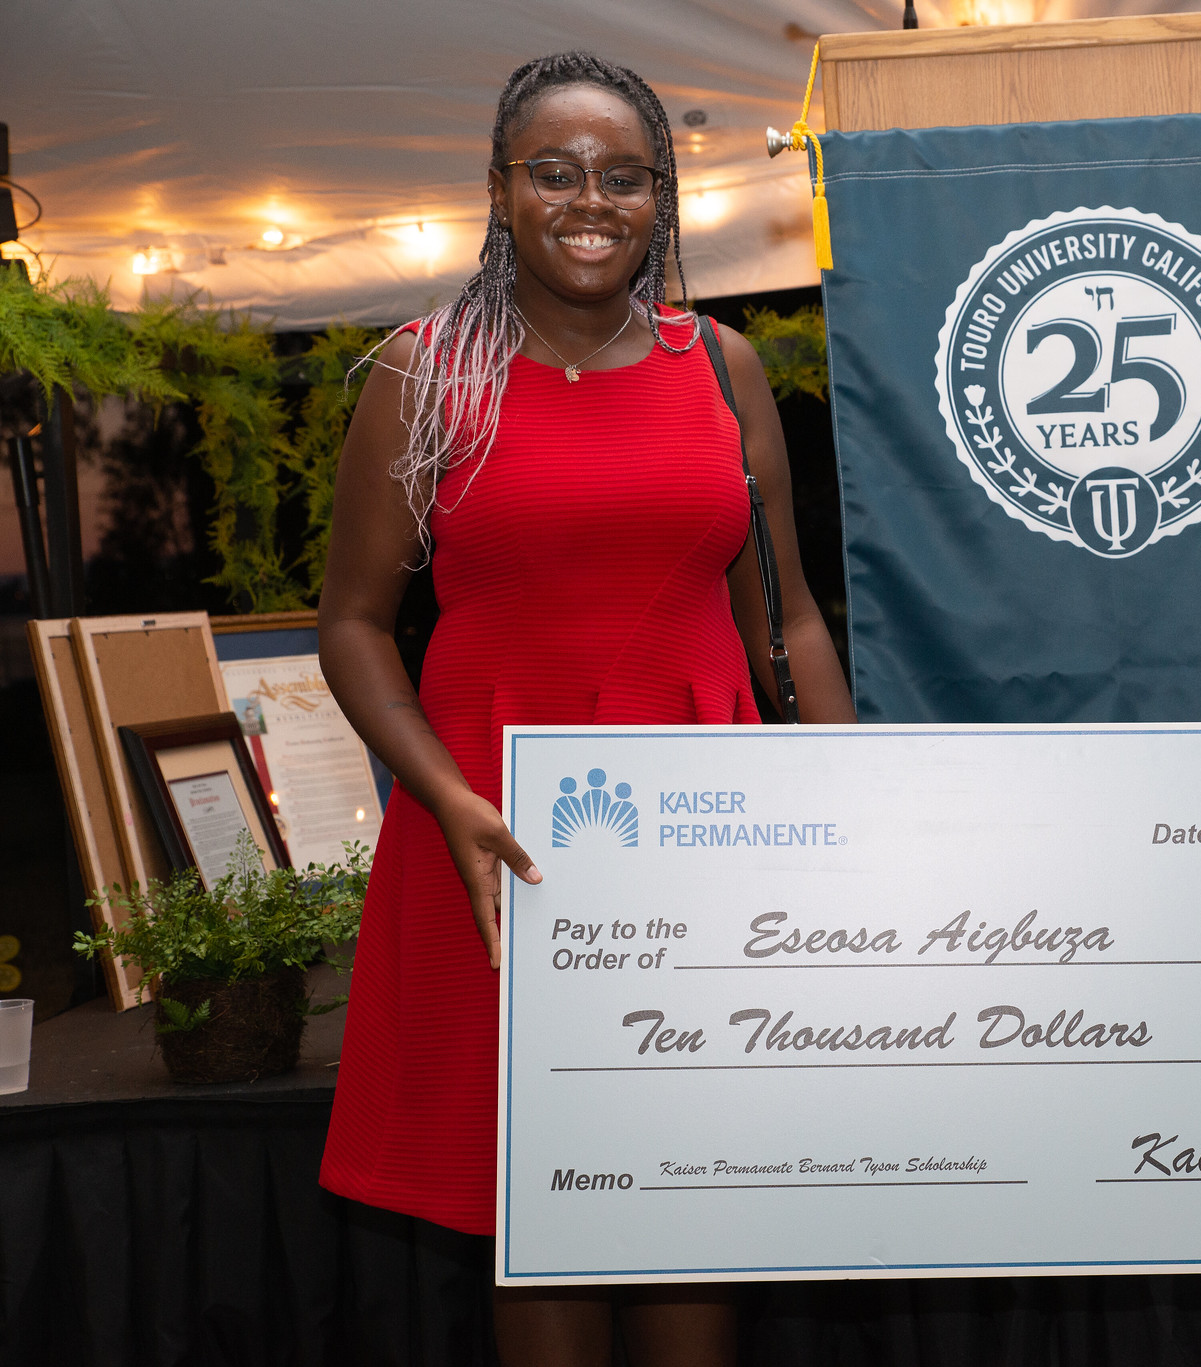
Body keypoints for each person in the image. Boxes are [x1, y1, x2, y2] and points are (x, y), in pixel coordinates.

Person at [316, 51, 855, 1367]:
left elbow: (782, 619)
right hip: (500, 851)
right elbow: (351, 624)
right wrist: (443, 798)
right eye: (553, 172)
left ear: (662, 198)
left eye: (624, 176)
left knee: (689, 1198)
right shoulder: (423, 373)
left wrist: (860, 811)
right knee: (541, 1208)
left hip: (708, 846)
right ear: (501, 189)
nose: (589, 200)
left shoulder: (720, 371)